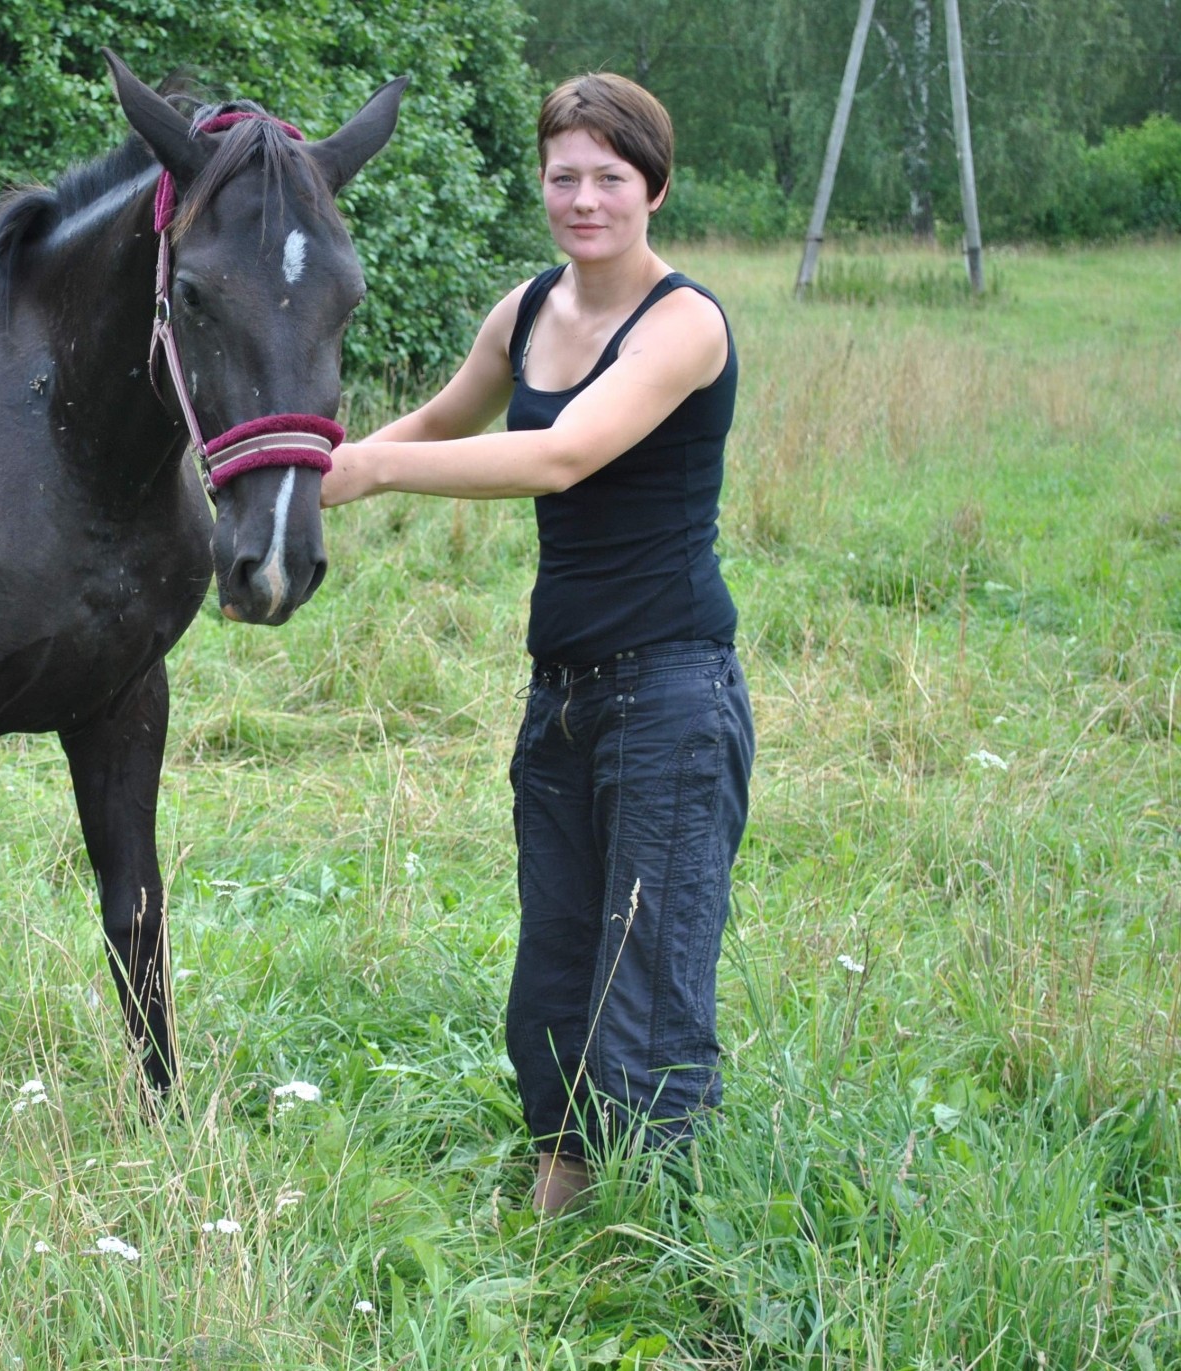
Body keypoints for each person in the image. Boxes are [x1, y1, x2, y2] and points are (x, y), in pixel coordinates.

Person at [321, 73, 755, 1216]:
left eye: (609, 177)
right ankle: (559, 1195)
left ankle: (652, 1237)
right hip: (559, 692)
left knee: (645, 972)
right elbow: (442, 419)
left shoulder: (683, 322)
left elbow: (559, 455)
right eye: (563, 175)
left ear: (651, 187)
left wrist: (376, 470)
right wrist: (310, 467)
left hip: (669, 690)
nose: (583, 198)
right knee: (556, 963)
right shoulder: (522, 312)